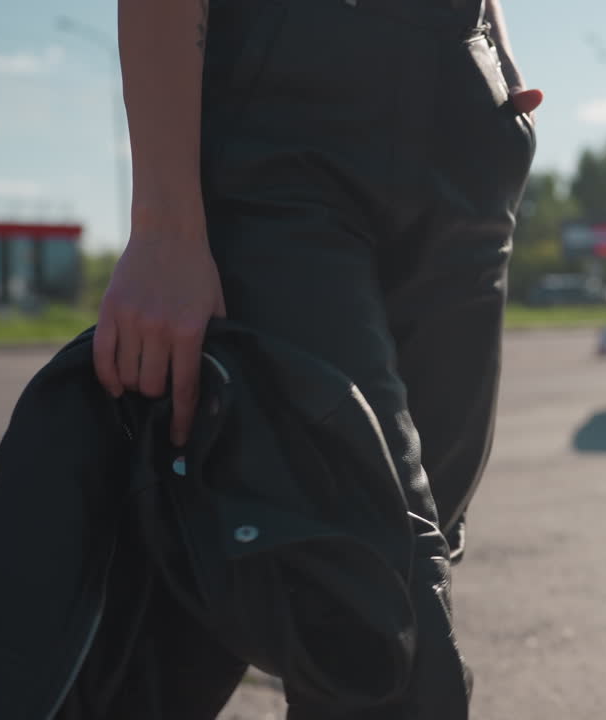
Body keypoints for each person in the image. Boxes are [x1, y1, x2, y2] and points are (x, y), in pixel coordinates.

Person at [80, 0, 540, 716]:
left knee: (343, 588)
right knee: (387, 615)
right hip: (290, 129)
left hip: (465, 115)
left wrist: (496, 55)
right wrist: (164, 223)